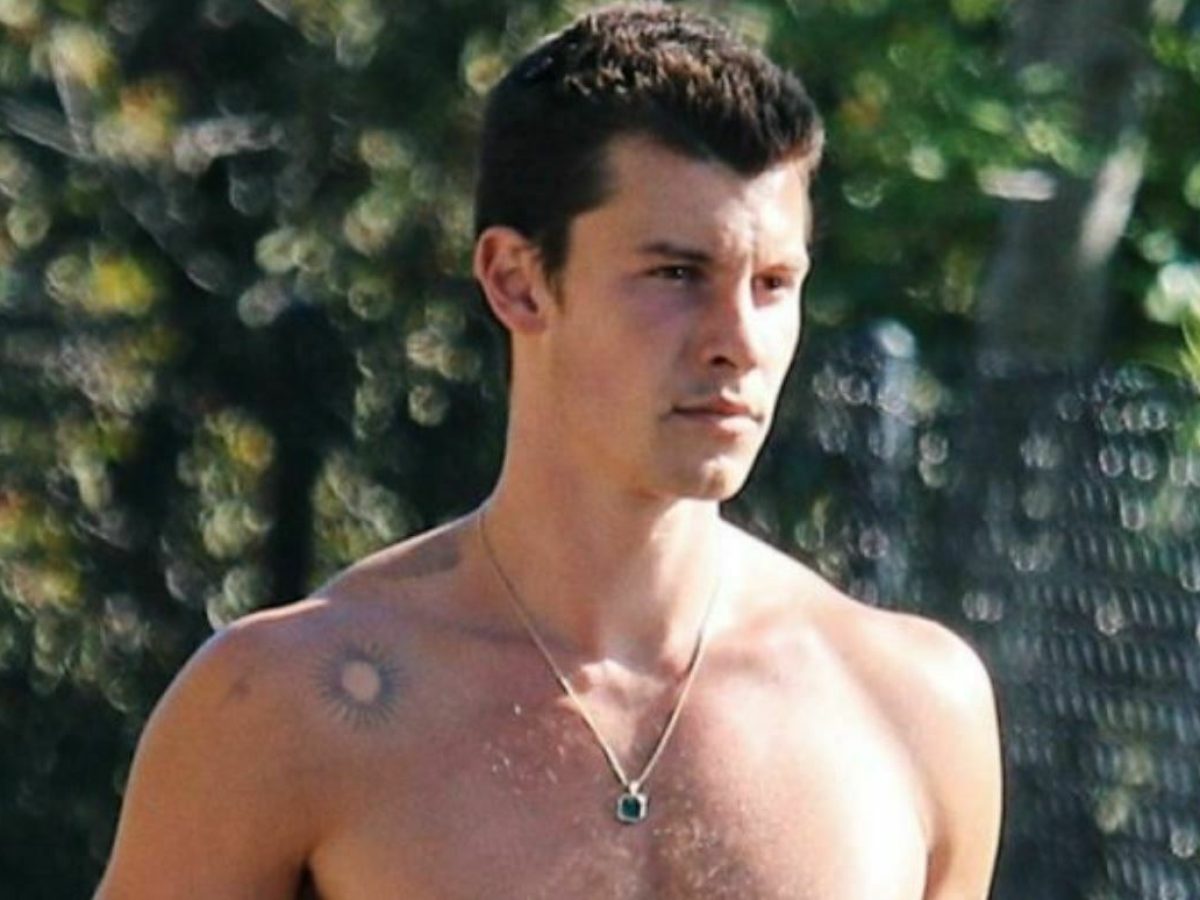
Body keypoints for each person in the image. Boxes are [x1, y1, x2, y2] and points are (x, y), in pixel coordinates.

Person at [95, 3, 1003, 897]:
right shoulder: (292, 704)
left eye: (772, 284)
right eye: (676, 274)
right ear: (518, 282)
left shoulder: (909, 706)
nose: (738, 340)